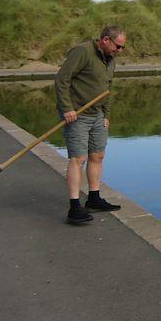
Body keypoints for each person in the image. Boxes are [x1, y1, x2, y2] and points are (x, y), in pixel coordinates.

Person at [55, 26, 126, 225]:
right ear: (105, 40)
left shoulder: (110, 59)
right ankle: (74, 206)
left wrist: (106, 114)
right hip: (76, 114)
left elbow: (107, 88)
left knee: (97, 155)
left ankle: (93, 198)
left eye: (122, 48)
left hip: (97, 115)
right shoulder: (82, 51)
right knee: (78, 158)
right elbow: (62, 80)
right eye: (118, 47)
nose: (119, 51)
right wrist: (67, 108)